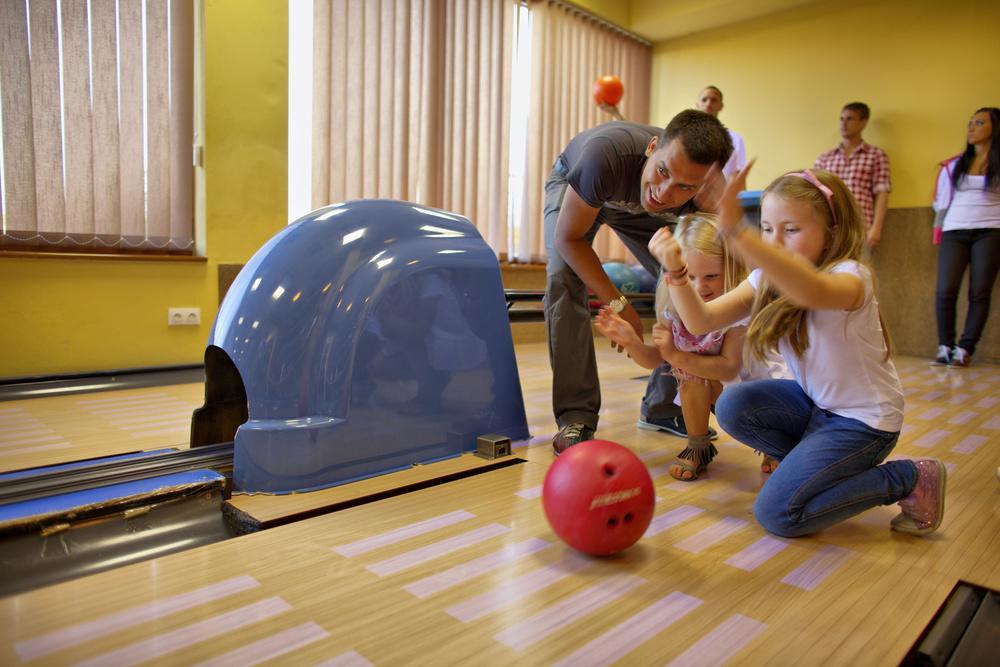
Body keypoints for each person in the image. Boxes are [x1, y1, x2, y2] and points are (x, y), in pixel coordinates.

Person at [650, 166, 946, 538]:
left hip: (865, 423)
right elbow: (701, 320)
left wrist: (738, 232)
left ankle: (909, 477)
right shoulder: (767, 278)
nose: (775, 241)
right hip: (819, 407)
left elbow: (810, 291)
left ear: (831, 232)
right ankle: (809, 467)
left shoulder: (851, 276)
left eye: (790, 230)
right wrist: (676, 272)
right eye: (768, 228)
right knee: (733, 405)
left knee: (777, 515)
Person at [544, 110, 733, 454]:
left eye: (684, 187)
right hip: (580, 184)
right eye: (663, 171)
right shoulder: (603, 157)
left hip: (630, 203)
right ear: (653, 147)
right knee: (563, 276)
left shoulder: (705, 196)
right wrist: (620, 304)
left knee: (681, 277)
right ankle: (576, 416)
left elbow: (721, 272)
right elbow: (568, 239)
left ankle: (663, 406)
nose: (664, 193)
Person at [594, 213, 746, 481]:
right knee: (690, 376)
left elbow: (728, 366)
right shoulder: (675, 310)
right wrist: (631, 340)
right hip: (716, 390)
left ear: (732, 270)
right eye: (691, 277)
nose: (700, 287)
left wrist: (676, 355)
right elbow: (656, 360)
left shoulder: (738, 311)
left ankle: (773, 449)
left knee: (690, 368)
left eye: (711, 276)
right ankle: (698, 446)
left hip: (749, 392)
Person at [931, 107, 1000, 368]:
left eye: (979, 123)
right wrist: (938, 228)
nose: (971, 128)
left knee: (979, 292)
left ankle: (965, 348)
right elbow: (941, 202)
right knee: (945, 290)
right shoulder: (954, 164)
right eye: (970, 123)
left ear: (995, 127)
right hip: (954, 230)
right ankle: (944, 345)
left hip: (991, 229)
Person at [814, 102, 891, 248]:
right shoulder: (825, 158)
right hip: (831, 225)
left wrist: (876, 228)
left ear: (863, 122)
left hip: (861, 225)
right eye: (841, 119)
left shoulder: (876, 155)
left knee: (858, 269)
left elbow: (882, 193)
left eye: (850, 119)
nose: (844, 124)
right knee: (829, 270)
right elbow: (816, 193)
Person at [695, 86, 746, 180]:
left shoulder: (735, 139)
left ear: (721, 106)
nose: (708, 104)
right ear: (697, 104)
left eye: (714, 100)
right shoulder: (683, 136)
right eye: (704, 99)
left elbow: (738, 177)